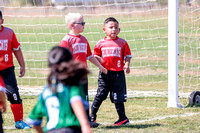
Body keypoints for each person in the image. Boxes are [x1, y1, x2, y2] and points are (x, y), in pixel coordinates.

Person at [26, 46, 92, 133]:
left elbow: (34, 121)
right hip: (71, 129)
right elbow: (76, 100)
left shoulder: (47, 90)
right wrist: (85, 126)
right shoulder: (72, 85)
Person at [60, 13, 107, 127]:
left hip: (82, 75)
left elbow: (89, 56)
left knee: (84, 97)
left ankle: (86, 121)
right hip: (71, 75)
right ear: (72, 25)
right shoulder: (66, 40)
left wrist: (99, 66)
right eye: (82, 23)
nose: (84, 25)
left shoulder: (83, 39)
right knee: (72, 97)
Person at [90, 17, 132, 126]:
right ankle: (92, 116)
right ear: (104, 30)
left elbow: (127, 56)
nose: (113, 29)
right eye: (111, 27)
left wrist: (127, 65)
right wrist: (99, 61)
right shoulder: (100, 43)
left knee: (118, 97)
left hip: (118, 74)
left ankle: (123, 119)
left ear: (119, 30)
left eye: (116, 27)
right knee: (100, 95)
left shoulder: (122, 42)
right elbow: (95, 56)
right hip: (105, 73)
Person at [0, 10, 31, 129]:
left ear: (2, 21)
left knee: (14, 95)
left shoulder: (9, 32)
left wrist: (22, 65)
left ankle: (19, 121)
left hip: (7, 70)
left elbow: (16, 49)